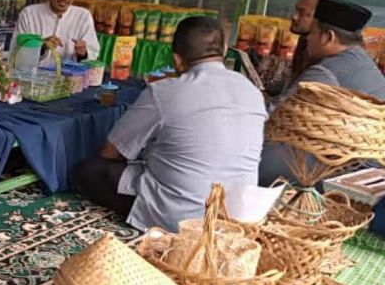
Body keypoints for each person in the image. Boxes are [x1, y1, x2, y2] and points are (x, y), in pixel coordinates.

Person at [73, 16, 266, 232]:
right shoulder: (251, 90)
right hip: (237, 216)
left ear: (177, 60)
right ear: (224, 51)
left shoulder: (165, 92)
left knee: (88, 170)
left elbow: (111, 152)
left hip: (182, 218)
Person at [260, 0, 385, 186]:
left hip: (352, 170)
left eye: (311, 33)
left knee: (259, 159)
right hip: (380, 163)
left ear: (328, 37)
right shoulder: (361, 60)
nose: (307, 39)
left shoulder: (326, 70)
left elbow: (273, 113)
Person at [12, 0, 99, 70]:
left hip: (69, 78)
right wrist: (41, 47)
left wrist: (84, 53)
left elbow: (93, 55)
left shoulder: (83, 16)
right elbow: (16, 55)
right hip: (33, 76)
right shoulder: (29, 14)